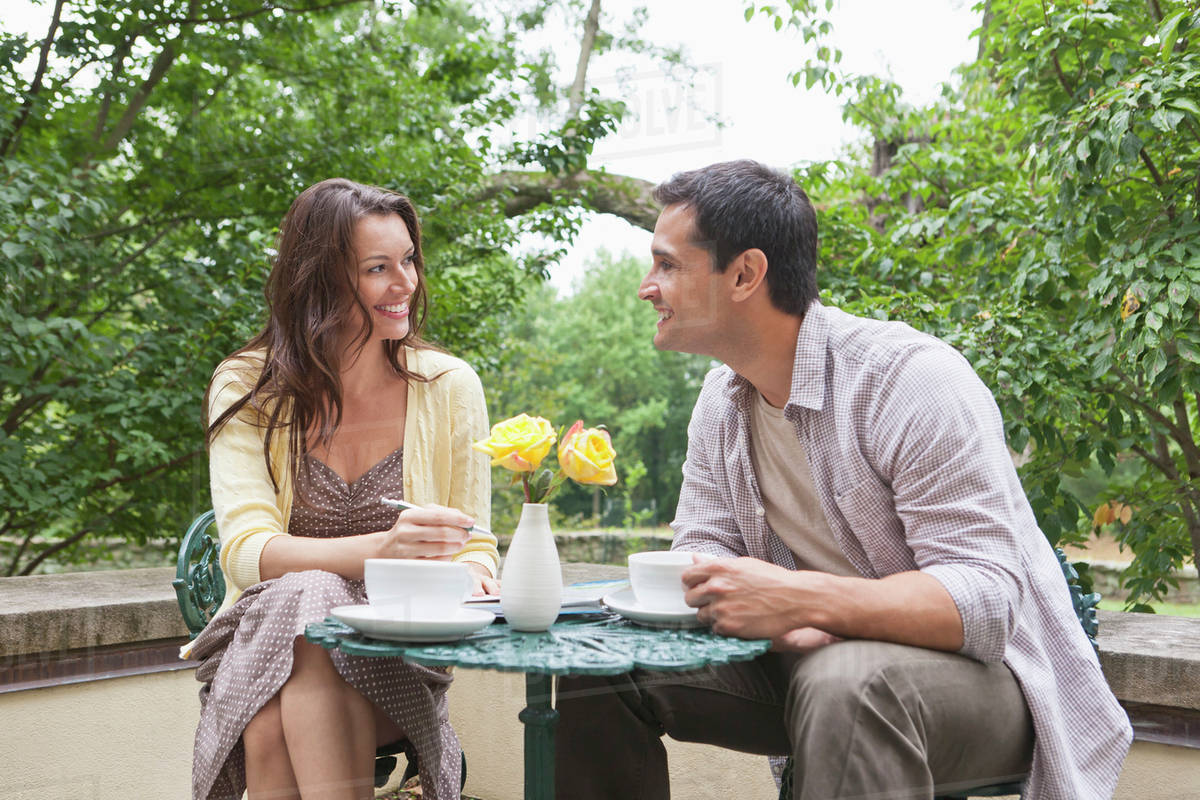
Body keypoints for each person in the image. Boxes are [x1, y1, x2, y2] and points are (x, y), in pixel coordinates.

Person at [554, 160, 1131, 800]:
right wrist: (753, 603)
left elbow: (986, 600)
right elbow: (706, 546)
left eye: (668, 264)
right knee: (596, 665)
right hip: (810, 660)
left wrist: (803, 601)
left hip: (993, 681)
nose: (647, 286)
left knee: (851, 680)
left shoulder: (911, 380)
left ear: (744, 274)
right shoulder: (721, 402)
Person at [187, 178, 499, 800]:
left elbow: (475, 544)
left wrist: (474, 571)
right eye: (378, 268)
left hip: (399, 647)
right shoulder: (247, 387)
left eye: (408, 259)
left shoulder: (449, 386)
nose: (405, 283)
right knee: (308, 597)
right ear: (321, 281)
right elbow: (247, 552)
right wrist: (384, 548)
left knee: (275, 719)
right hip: (263, 636)